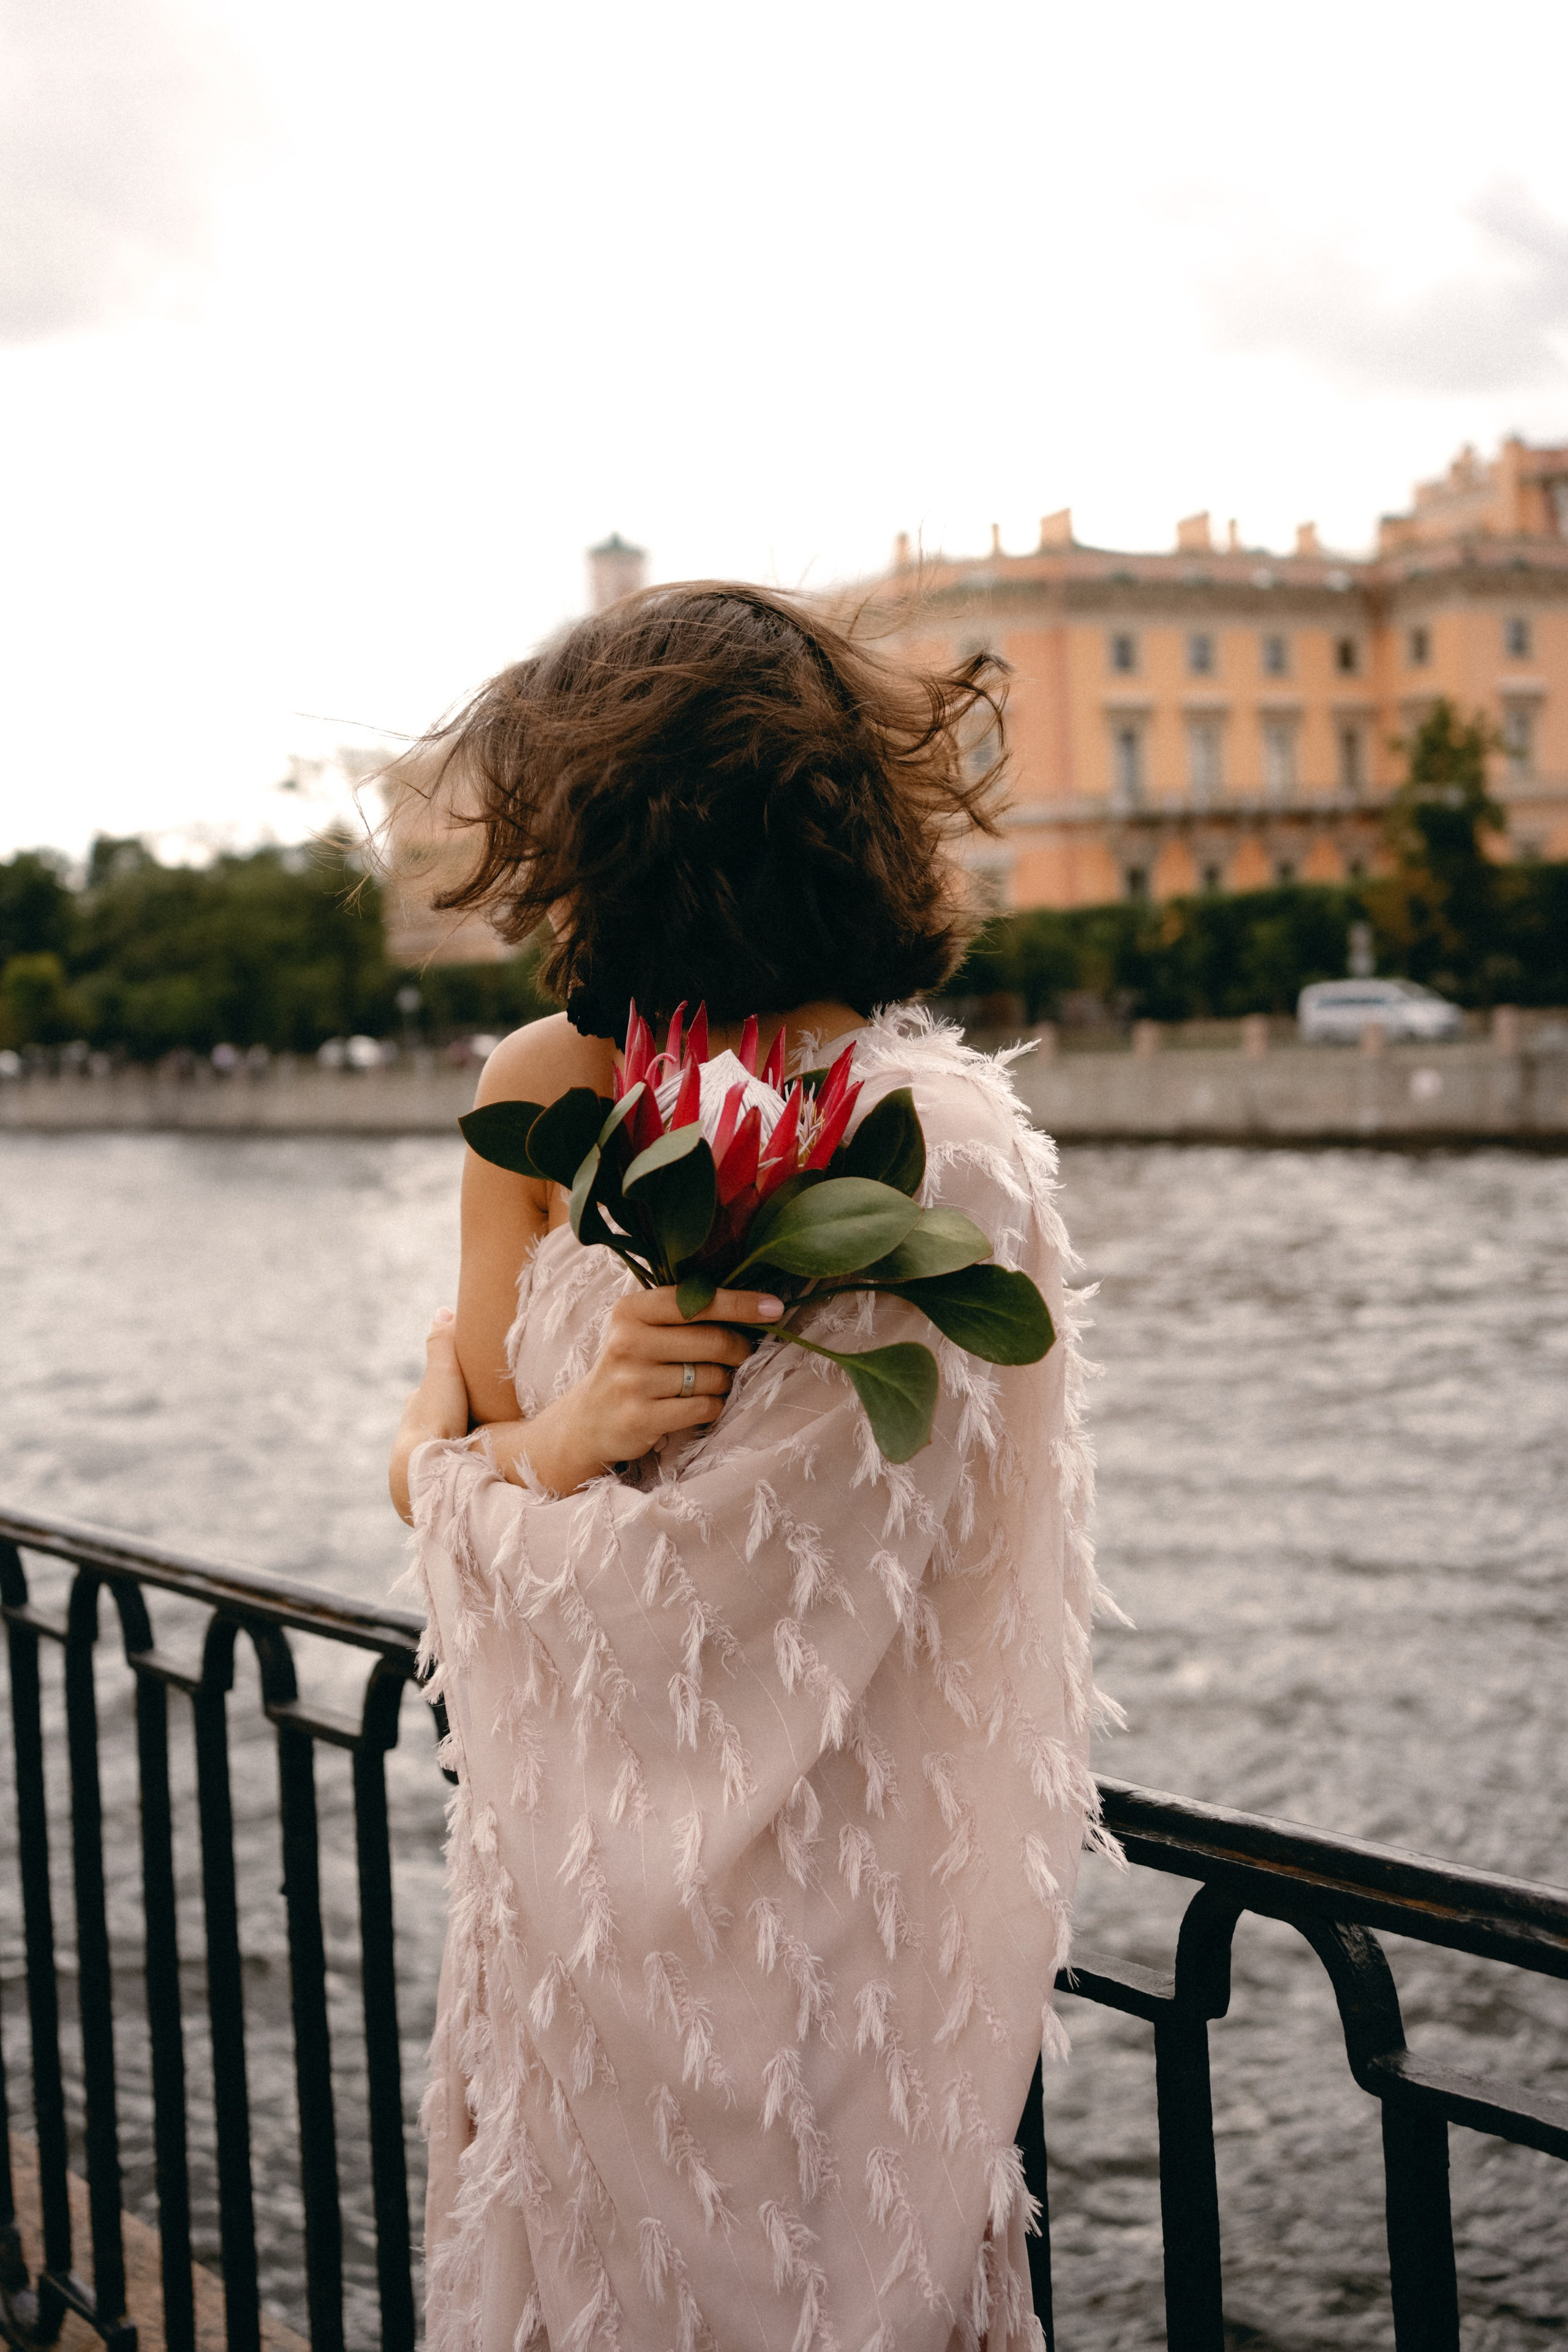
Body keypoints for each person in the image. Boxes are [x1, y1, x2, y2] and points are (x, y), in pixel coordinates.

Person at [387, 584, 1112, 2351]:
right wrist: (547, 1441)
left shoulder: (921, 1150)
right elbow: (484, 1444)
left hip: (808, 1934)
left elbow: (512, 1495)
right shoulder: (544, 1088)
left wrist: (477, 1461)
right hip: (578, 1929)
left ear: (609, 832)